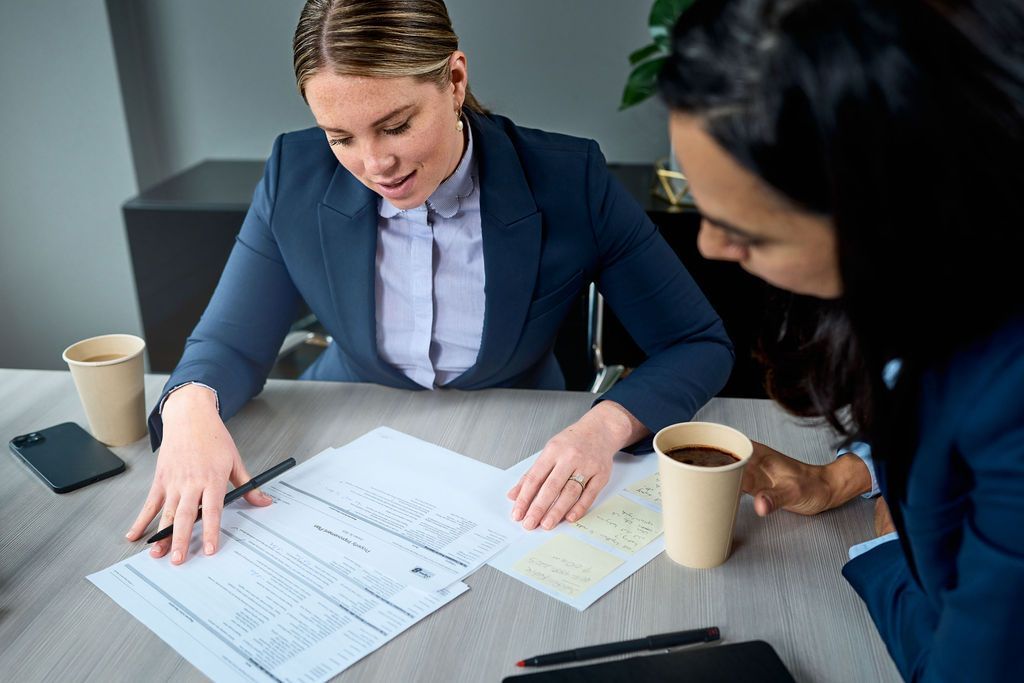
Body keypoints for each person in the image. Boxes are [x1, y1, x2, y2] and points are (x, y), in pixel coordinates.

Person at [125, 0, 733, 565]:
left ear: (455, 80)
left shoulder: (568, 179)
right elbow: (229, 344)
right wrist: (188, 408)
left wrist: (603, 430)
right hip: (345, 438)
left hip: (515, 446)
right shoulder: (295, 175)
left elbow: (697, 343)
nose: (374, 164)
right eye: (341, 137)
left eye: (395, 125)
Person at [657, 0, 1024, 679]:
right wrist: (845, 475)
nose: (709, 245)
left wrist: (885, 551)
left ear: (886, 216)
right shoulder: (941, 275)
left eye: (748, 231)